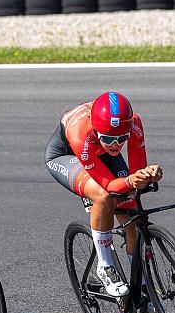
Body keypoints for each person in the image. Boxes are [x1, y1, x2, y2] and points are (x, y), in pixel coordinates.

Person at [45, 91, 162, 298]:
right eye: (109, 138)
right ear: (97, 130)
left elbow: (137, 173)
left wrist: (147, 176)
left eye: (122, 138)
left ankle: (141, 284)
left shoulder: (133, 124)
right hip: (68, 156)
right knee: (103, 196)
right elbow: (107, 184)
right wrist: (130, 180)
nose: (116, 144)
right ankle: (105, 266)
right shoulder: (79, 131)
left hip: (99, 153)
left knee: (132, 214)